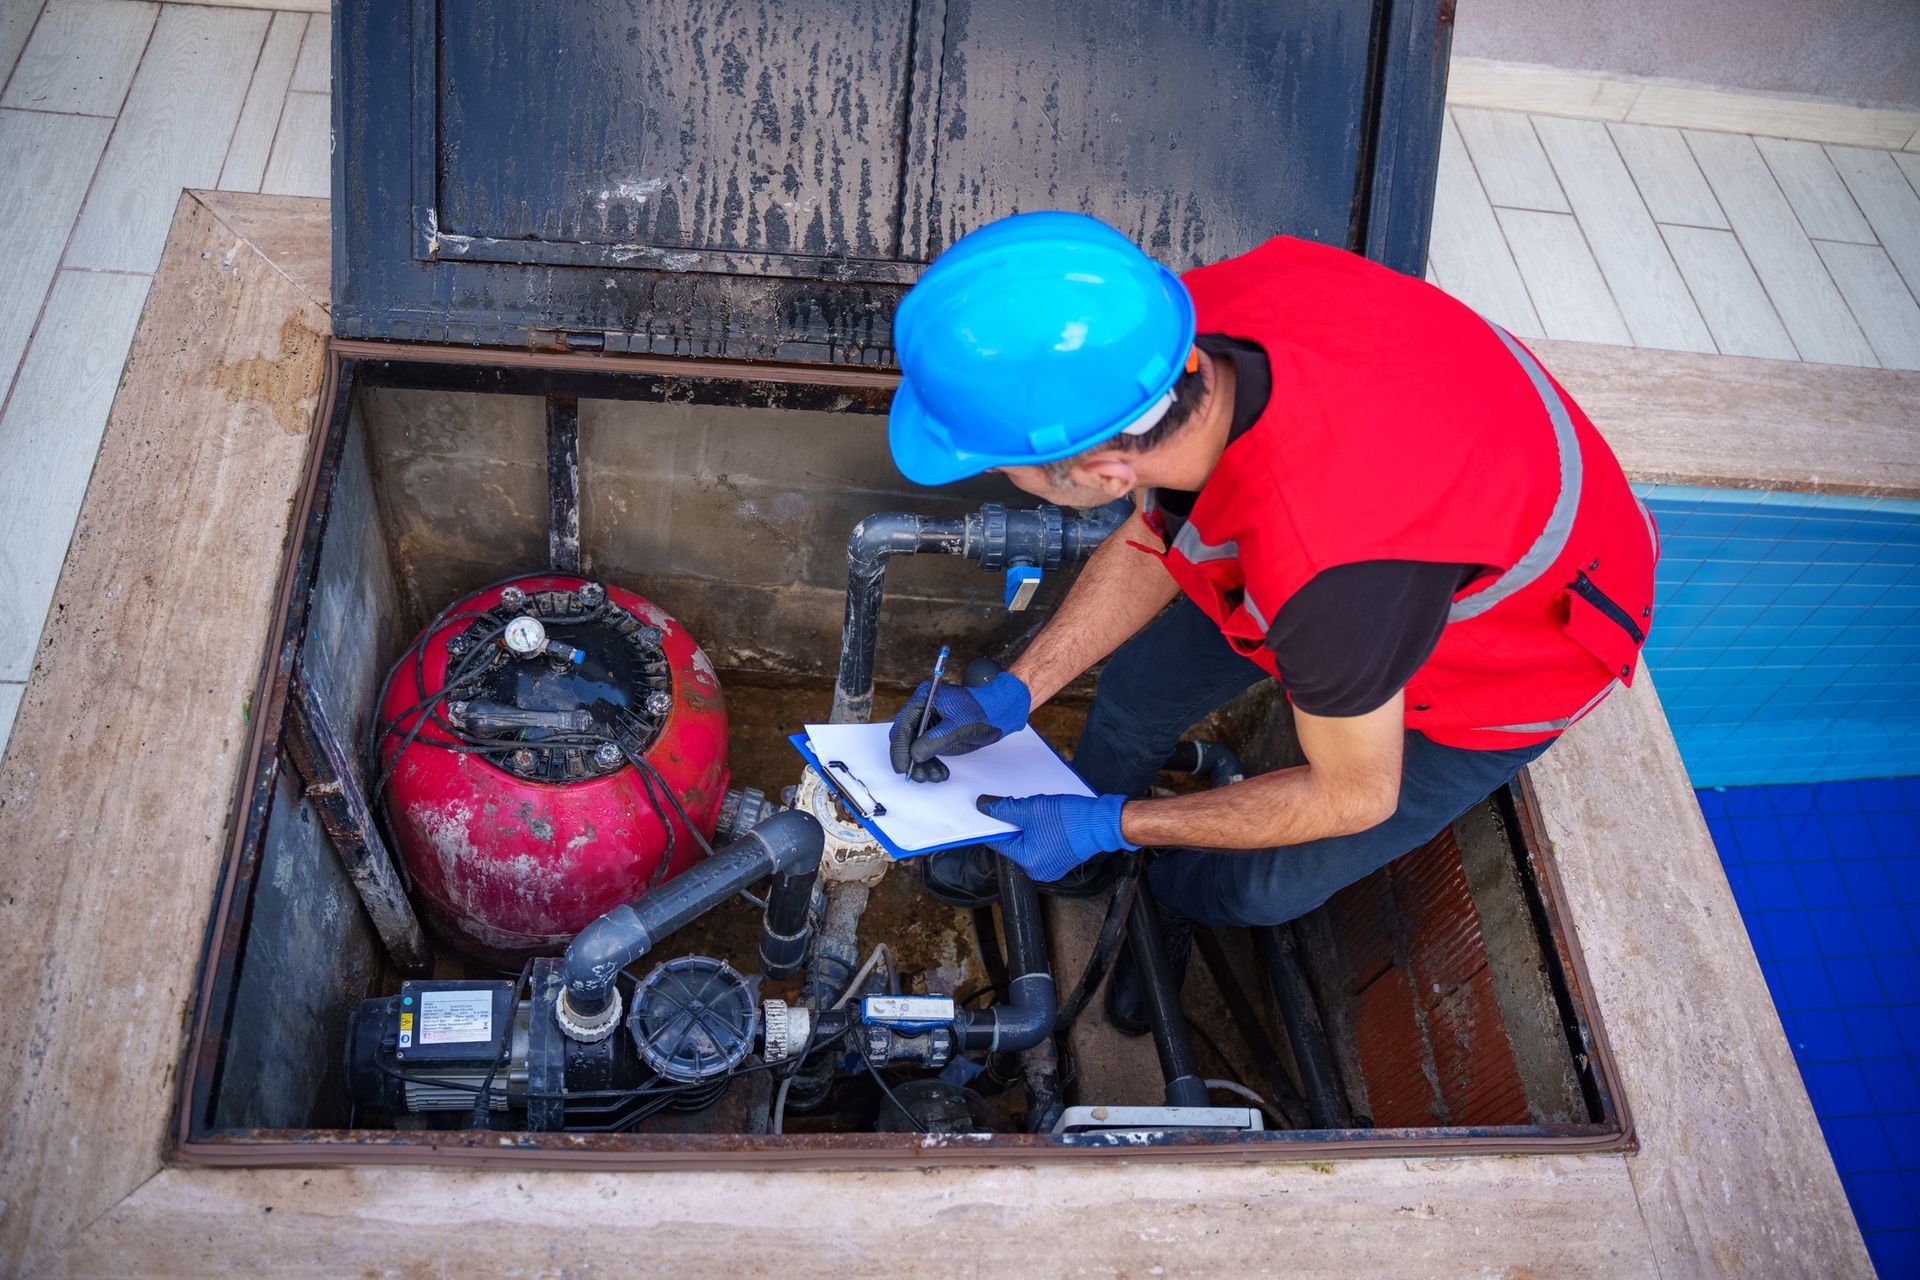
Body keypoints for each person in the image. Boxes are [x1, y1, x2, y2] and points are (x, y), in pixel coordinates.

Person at [883, 212, 1657, 1034]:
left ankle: (1166, 888)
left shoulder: (1333, 579)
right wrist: (1014, 692)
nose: (998, 480)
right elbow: (1156, 527)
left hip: (1507, 653)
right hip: (1405, 516)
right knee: (1142, 689)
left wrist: (1115, 824)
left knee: (1263, 890)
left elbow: (1354, 794)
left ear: (1104, 471)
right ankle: (1081, 857)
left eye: (1000, 467)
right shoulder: (1188, 323)